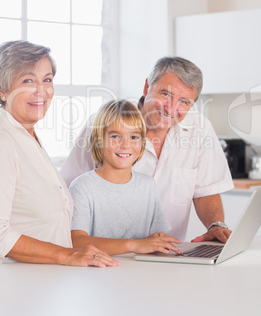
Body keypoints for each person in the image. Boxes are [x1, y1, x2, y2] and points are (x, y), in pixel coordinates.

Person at [61, 57, 234, 243]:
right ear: (147, 87)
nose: (171, 108)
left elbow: (206, 191)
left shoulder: (200, 129)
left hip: (164, 252)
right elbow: (67, 193)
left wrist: (216, 225)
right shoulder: (103, 124)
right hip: (102, 252)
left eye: (184, 101)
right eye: (165, 94)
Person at [0, 40, 119, 268]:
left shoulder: (27, 135)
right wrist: (67, 255)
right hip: (17, 289)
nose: (41, 91)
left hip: (47, 284)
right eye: (28, 81)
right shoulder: (4, 140)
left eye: (47, 80)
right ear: (2, 91)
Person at [69, 99, 181, 255]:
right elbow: (76, 241)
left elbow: (154, 236)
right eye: (115, 136)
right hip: (98, 273)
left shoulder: (148, 185)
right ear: (98, 140)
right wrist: (134, 245)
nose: (125, 145)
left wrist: (159, 239)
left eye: (134, 137)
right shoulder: (83, 187)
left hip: (139, 272)